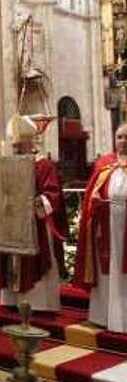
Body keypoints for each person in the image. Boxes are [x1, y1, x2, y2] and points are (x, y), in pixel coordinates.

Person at [0, 115, 64, 312]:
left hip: (35, 224)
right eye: (13, 146)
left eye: (18, 146)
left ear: (30, 143)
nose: (15, 150)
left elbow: (53, 193)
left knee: (36, 263)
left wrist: (39, 202)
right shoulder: (9, 166)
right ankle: (11, 299)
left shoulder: (44, 165)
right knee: (11, 260)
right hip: (13, 225)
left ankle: (39, 304)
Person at [75, 122, 127, 331]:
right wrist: (93, 204)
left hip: (125, 228)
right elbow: (92, 194)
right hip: (105, 227)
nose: (123, 141)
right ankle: (103, 316)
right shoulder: (104, 163)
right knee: (106, 270)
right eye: (120, 137)